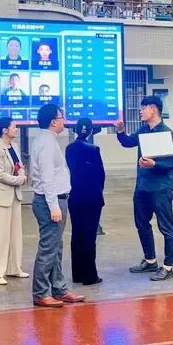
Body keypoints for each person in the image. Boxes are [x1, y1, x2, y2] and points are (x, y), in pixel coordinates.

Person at [115, 96, 173, 281]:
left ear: (153, 109)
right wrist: (120, 132)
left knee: (166, 227)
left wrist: (155, 164)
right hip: (142, 187)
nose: (141, 111)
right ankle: (150, 260)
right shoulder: (143, 130)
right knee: (141, 224)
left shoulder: (166, 133)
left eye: (143, 107)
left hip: (160, 189)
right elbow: (128, 142)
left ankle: (168, 267)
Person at [31, 104, 85, 308]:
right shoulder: (46, 143)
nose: (64, 120)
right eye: (62, 117)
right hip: (50, 201)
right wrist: (53, 206)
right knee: (48, 248)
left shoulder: (47, 140)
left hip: (55, 199)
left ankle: (59, 288)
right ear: (53, 122)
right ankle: (40, 292)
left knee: (56, 247)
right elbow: (47, 177)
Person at [0, 118, 28, 285]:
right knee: (1, 236)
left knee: (15, 234)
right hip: (1, 197)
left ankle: (14, 268)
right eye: (13, 127)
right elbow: (0, 174)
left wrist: (22, 174)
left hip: (15, 196)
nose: (16, 129)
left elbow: (19, 165)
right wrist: (20, 180)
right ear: (4, 130)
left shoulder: (14, 146)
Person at [65, 118, 105, 285]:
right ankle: (90, 275)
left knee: (77, 234)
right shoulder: (94, 149)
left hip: (75, 196)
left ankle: (78, 274)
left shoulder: (69, 149)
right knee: (89, 236)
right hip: (92, 197)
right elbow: (100, 175)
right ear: (90, 131)